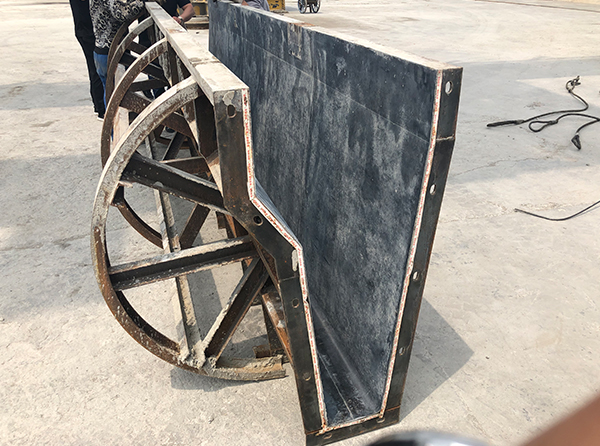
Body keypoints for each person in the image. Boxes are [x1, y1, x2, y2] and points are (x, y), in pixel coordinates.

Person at [89, 0, 145, 105]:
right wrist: (140, 3)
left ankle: (108, 115)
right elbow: (122, 13)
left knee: (108, 92)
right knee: (116, 97)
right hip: (110, 52)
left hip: (100, 50)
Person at [69, 0, 105, 120]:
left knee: (94, 68)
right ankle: (101, 108)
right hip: (88, 31)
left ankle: (99, 106)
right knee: (96, 69)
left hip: (85, 30)